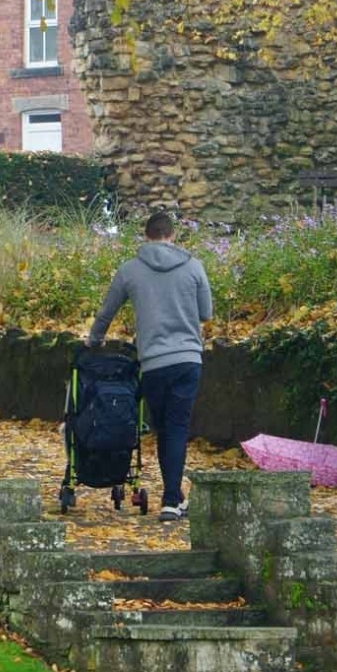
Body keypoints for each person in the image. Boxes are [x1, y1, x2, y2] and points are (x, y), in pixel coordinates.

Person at [85, 209, 213, 523]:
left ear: (146, 236)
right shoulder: (194, 266)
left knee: (163, 428)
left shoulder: (130, 270)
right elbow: (206, 312)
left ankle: (172, 498)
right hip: (188, 360)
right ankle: (173, 499)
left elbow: (107, 310)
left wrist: (94, 340)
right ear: (172, 235)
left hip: (154, 363)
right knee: (178, 428)